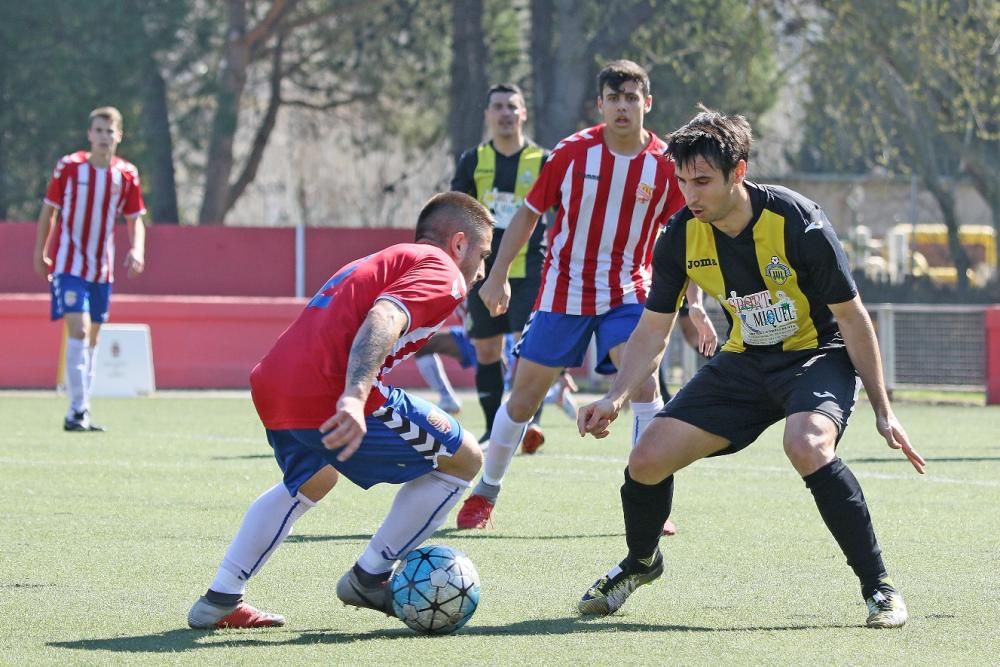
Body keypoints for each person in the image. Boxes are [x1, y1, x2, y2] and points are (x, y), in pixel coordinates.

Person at [576, 106, 925, 629]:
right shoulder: (680, 233)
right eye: (681, 180)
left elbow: (853, 320)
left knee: (806, 446)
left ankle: (879, 588)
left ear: (738, 172)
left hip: (816, 355)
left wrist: (883, 409)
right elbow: (653, 327)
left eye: (703, 181)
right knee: (645, 460)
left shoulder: (799, 222)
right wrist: (615, 397)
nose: (690, 194)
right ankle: (641, 564)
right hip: (744, 361)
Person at [187, 192, 493, 629]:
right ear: (458, 244)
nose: (480, 270)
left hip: (274, 381)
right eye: (482, 255)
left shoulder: (392, 257)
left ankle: (219, 599)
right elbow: (386, 316)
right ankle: (369, 577)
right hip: (328, 389)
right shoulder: (443, 269)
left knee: (312, 481)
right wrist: (353, 394)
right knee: (464, 459)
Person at [455, 60, 696, 531]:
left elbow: (686, 233)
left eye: (632, 98)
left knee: (647, 387)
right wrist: (498, 272)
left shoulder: (665, 164)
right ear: (600, 104)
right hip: (563, 291)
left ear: (647, 104)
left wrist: (694, 305)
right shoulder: (570, 153)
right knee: (523, 401)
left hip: (629, 290)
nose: (623, 106)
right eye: (614, 98)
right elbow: (528, 214)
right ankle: (486, 491)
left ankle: (650, 498)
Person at [32, 106, 147, 432]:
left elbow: (135, 219)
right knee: (79, 331)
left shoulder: (126, 174)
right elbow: (48, 211)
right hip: (70, 265)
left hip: (102, 269)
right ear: (89, 134)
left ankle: (82, 407)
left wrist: (137, 249)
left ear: (119, 136)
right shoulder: (69, 168)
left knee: (93, 338)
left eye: (109, 132)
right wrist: (41, 251)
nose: (103, 137)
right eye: (98, 130)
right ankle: (76, 409)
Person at [451, 83, 549, 451]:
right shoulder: (473, 161)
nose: (506, 113)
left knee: (532, 350)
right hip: (482, 272)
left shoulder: (544, 160)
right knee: (487, 349)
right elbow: (456, 210)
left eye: (512, 106)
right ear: (487, 115)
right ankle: (495, 427)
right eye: (498, 107)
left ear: (524, 113)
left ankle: (529, 426)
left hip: (531, 270)